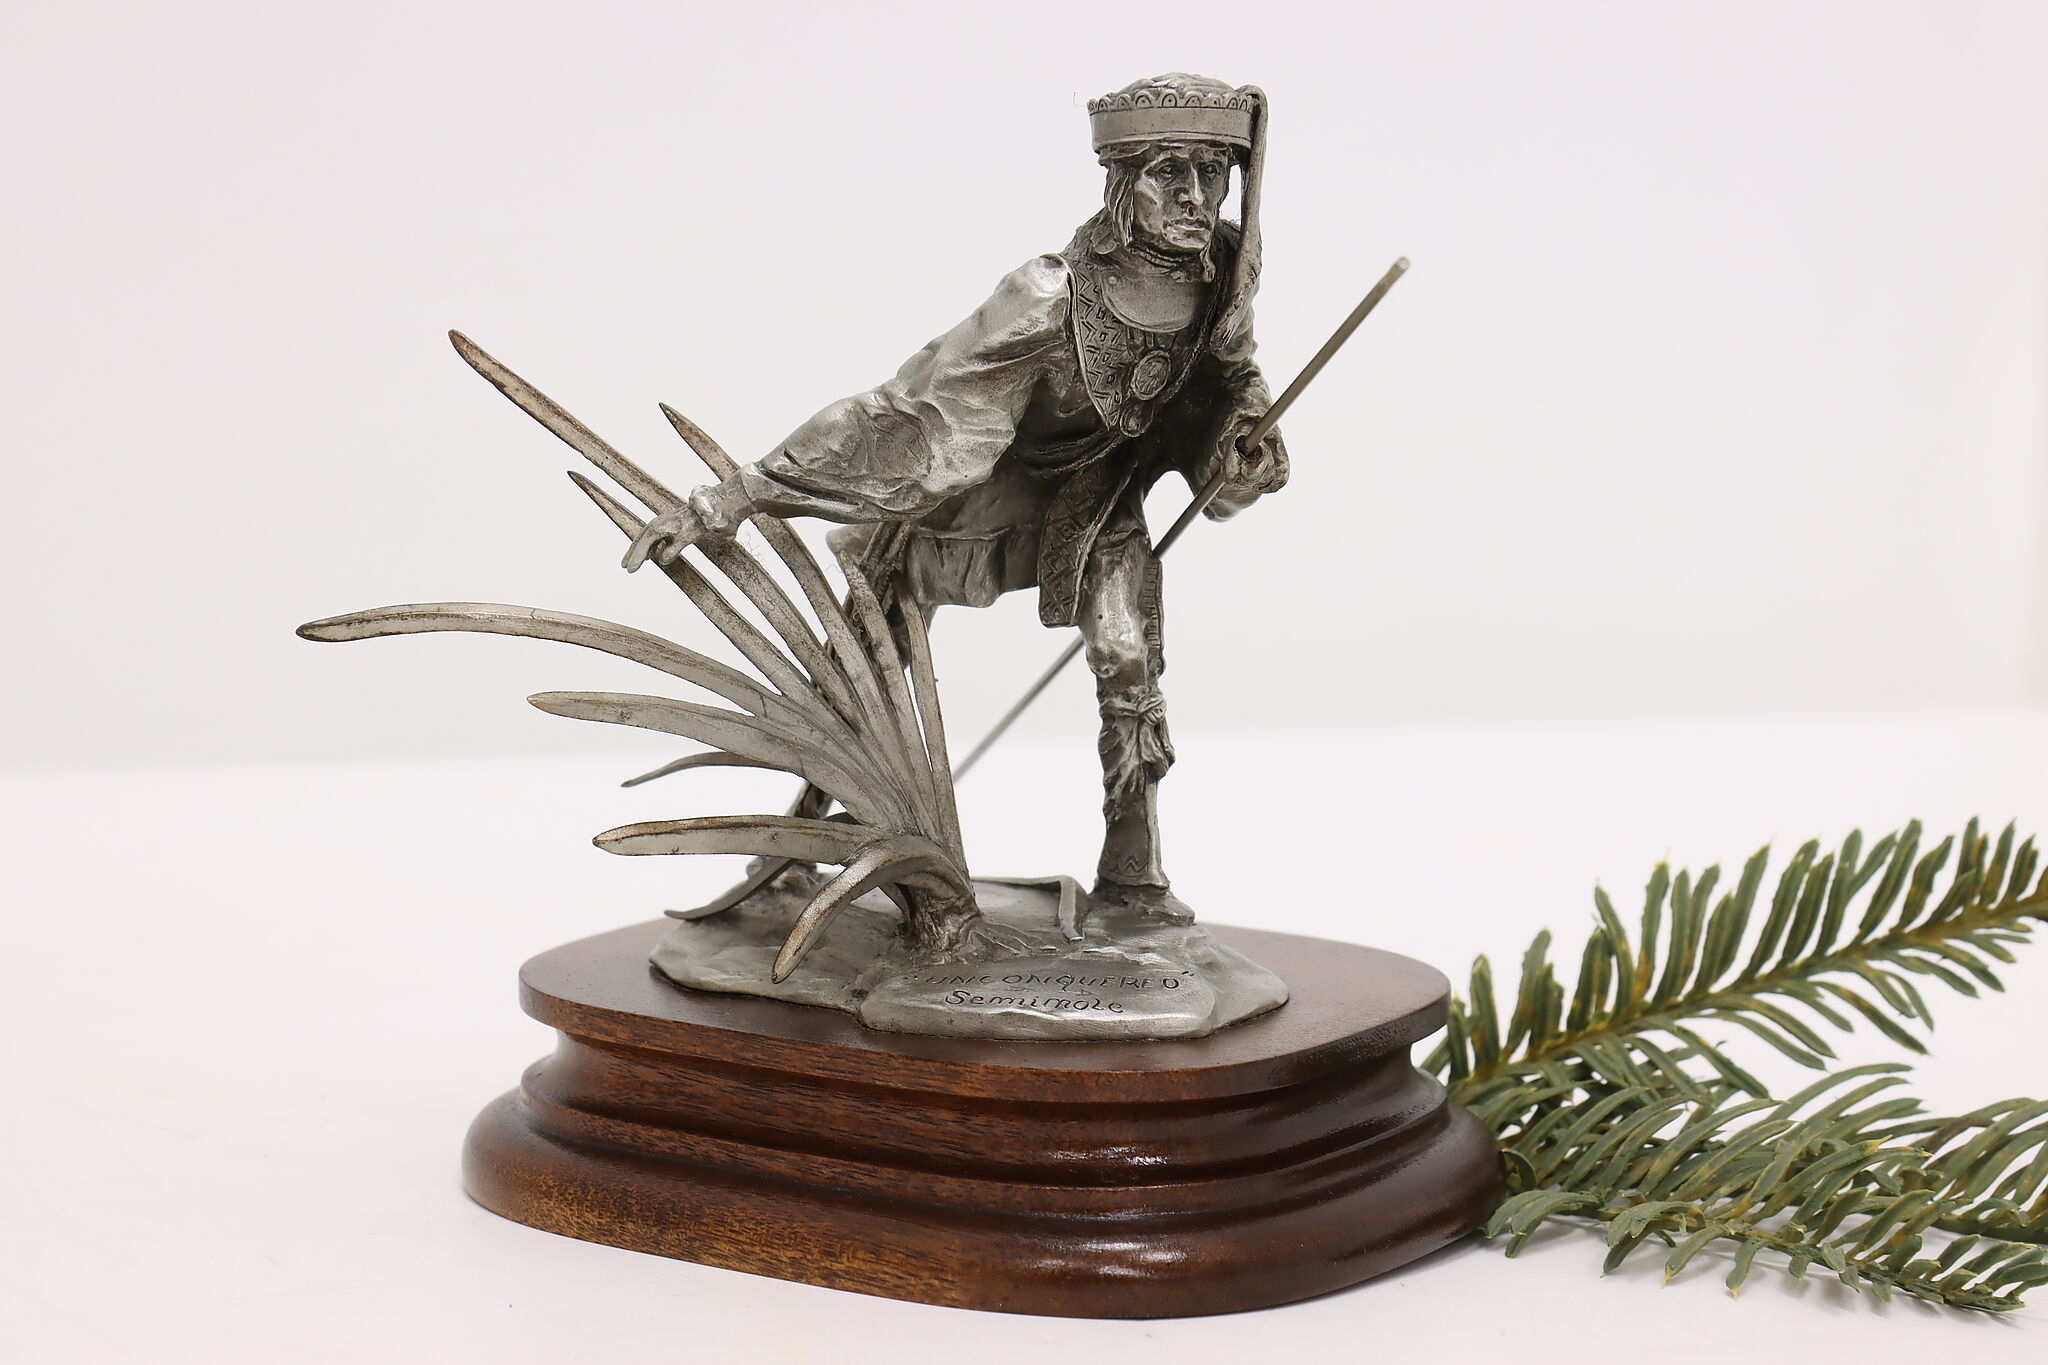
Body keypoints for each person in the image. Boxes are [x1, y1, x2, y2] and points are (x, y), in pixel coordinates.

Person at [626, 73, 1289, 921]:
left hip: (1095, 496)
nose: (1197, 195)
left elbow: (1228, 377)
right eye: (1170, 172)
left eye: (1214, 172)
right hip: (982, 490)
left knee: (1129, 656)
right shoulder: (1047, 296)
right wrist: (736, 494)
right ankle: (799, 840)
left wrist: (1242, 438)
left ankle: (1134, 875)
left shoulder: (1221, 274)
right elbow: (903, 414)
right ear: (1123, 181)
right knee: (873, 656)